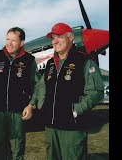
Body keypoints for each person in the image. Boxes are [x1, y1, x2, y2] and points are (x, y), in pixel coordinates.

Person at [31, 22, 105, 160]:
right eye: (53, 38)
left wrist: (76, 110)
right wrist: (41, 105)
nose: (55, 41)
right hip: (51, 129)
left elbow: (96, 91)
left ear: (71, 37)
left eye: (59, 36)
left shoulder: (84, 61)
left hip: (72, 129)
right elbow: (41, 86)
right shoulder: (50, 64)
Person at [0, 27, 40, 160]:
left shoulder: (29, 60)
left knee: (17, 149)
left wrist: (31, 105)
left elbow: (37, 86)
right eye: (7, 39)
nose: (9, 43)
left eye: (13, 40)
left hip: (18, 113)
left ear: (21, 43)